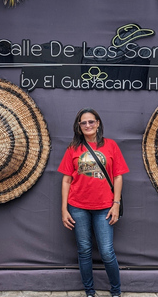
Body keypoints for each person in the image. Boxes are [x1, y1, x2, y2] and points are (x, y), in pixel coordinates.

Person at [58, 108, 129, 297]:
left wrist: (116, 204)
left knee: (106, 252)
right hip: (78, 206)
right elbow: (66, 180)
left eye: (91, 121)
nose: (88, 125)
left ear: (98, 123)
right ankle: (90, 292)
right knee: (84, 250)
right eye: (83, 123)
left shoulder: (111, 145)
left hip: (104, 207)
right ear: (79, 127)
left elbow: (118, 177)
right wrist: (64, 209)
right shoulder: (72, 149)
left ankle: (116, 291)